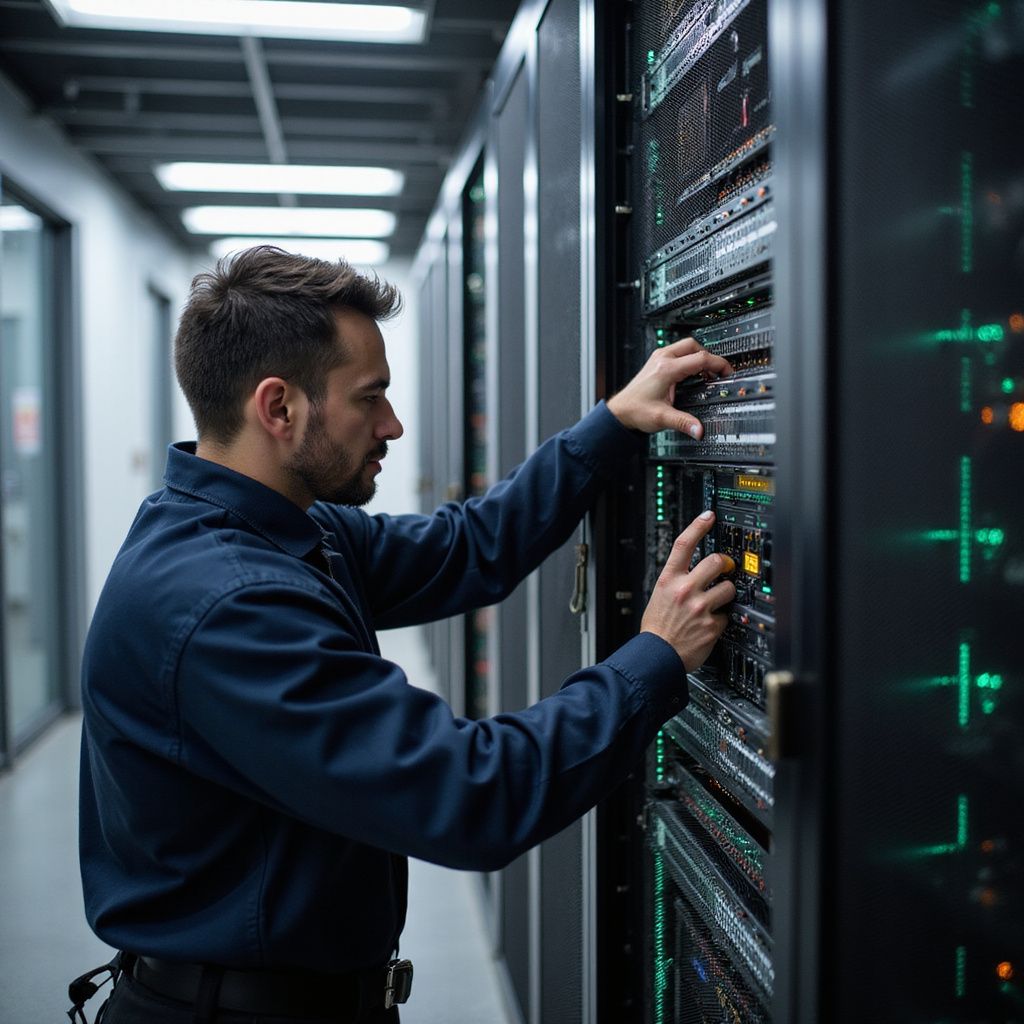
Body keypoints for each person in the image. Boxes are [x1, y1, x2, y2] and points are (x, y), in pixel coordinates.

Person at [70, 246, 735, 1024]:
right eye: (370, 398)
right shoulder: (228, 605)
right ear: (278, 407)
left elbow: (471, 546)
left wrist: (613, 423)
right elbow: (470, 795)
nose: (393, 424)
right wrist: (653, 656)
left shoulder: (280, 530)